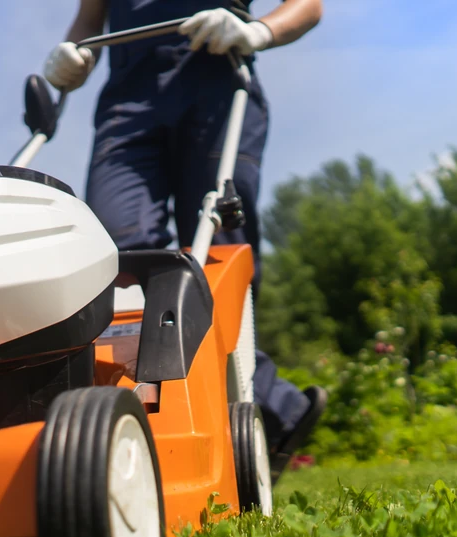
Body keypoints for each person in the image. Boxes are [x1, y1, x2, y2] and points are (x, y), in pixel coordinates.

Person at [42, 0, 327, 483]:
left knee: (216, 256)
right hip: (128, 101)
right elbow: (90, 20)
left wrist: (257, 32)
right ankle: (270, 408)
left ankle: (235, 416)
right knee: (123, 259)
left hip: (216, 79)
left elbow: (308, 6)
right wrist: (72, 54)